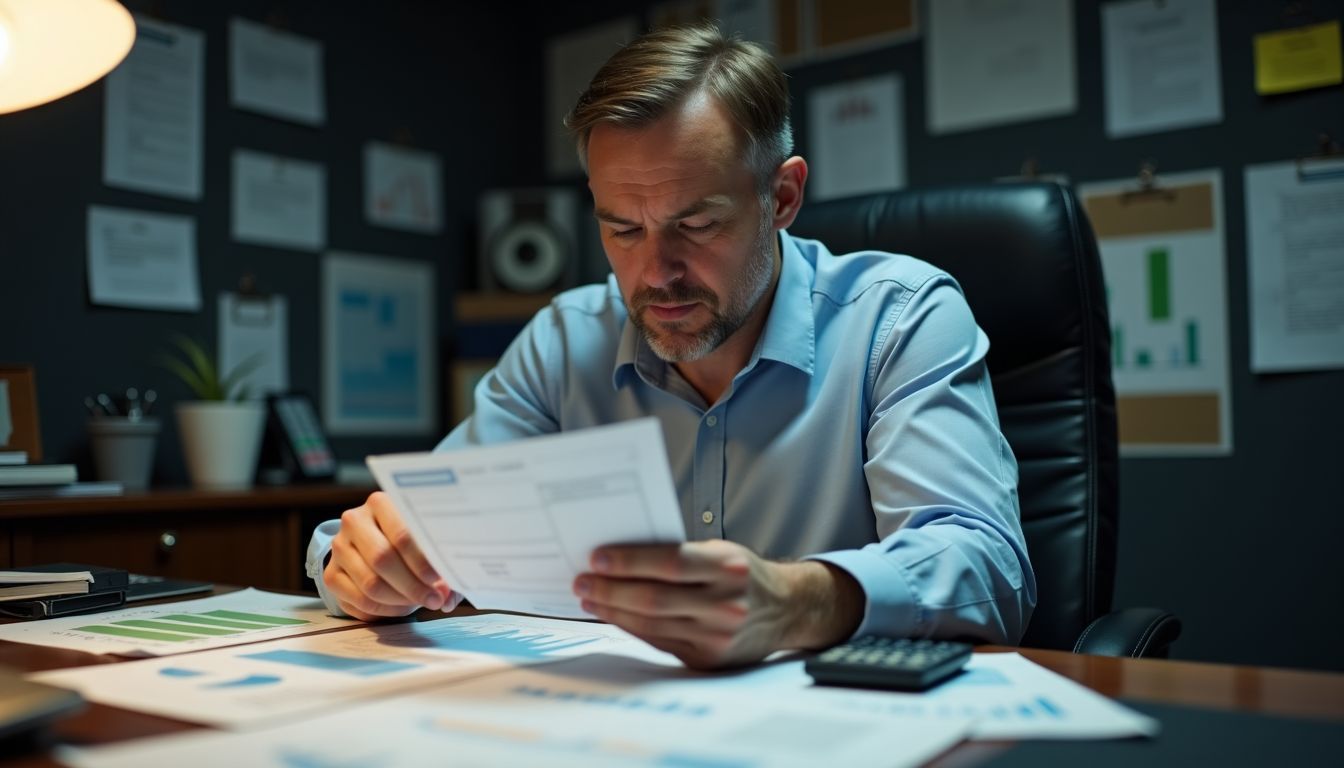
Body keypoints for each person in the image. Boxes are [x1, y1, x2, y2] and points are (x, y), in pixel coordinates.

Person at [307, 23, 1035, 670]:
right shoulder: (565, 342)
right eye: (623, 228)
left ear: (780, 198)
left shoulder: (899, 320)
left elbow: (985, 565)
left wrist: (796, 600)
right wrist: (366, 563)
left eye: (696, 224)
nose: (656, 273)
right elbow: (413, 526)